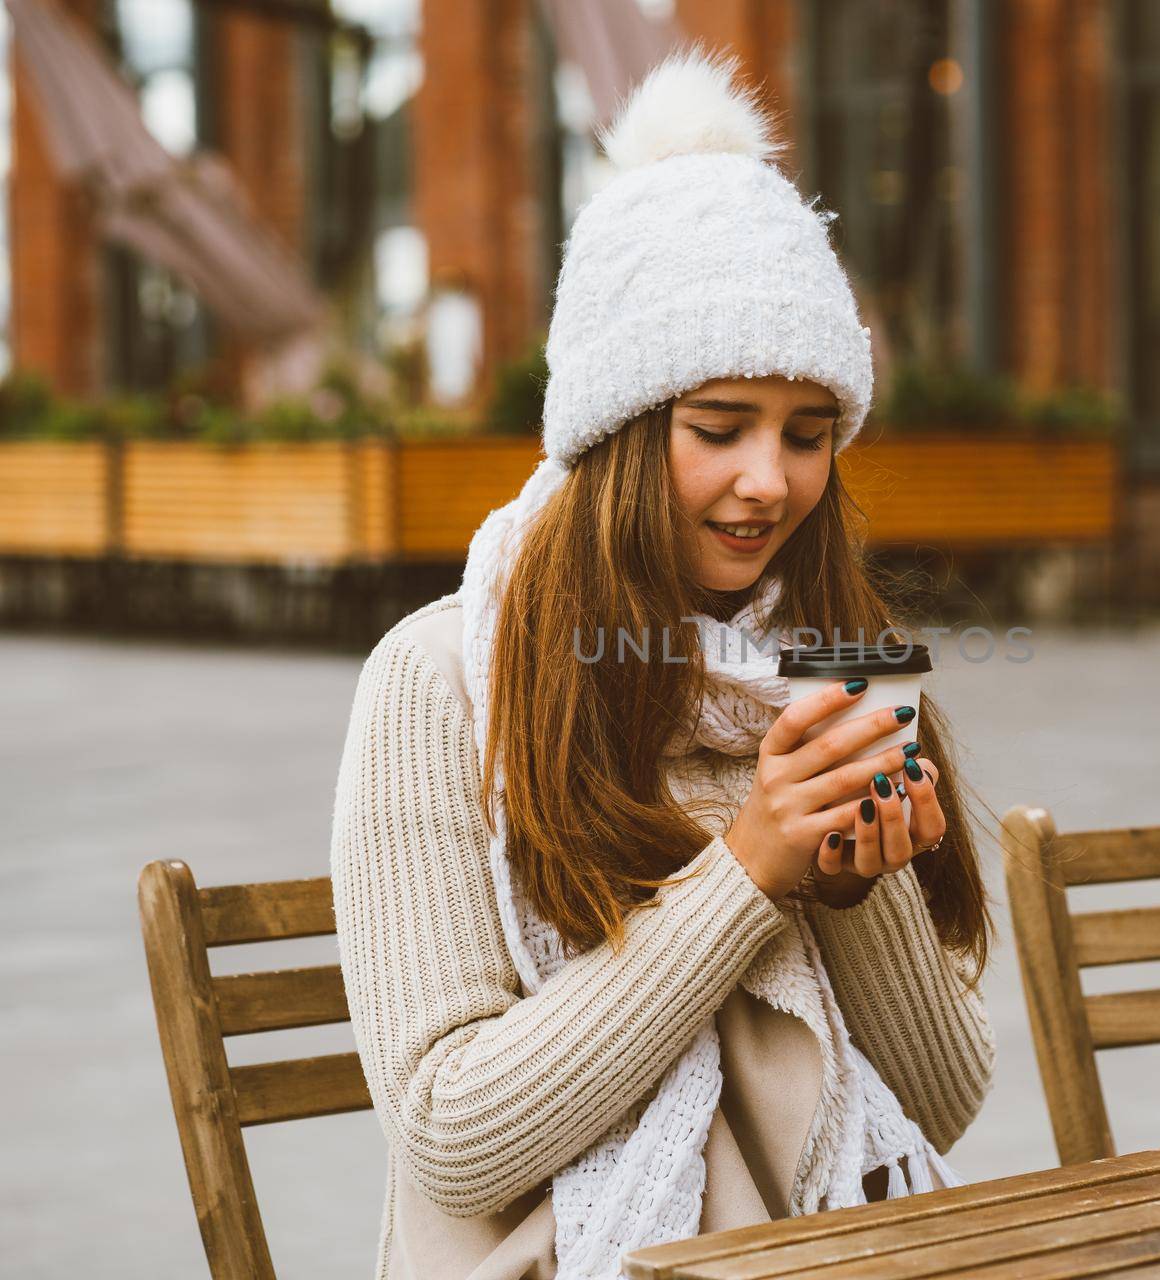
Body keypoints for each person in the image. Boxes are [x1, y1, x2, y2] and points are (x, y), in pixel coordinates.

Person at [330, 48, 995, 1280]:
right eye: (718, 427)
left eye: (808, 435)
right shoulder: (436, 680)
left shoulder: (825, 662)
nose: (770, 480)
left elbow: (946, 1102)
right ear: (619, 435)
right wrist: (751, 868)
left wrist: (854, 890)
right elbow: (454, 1138)